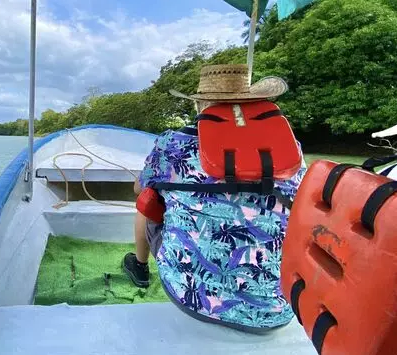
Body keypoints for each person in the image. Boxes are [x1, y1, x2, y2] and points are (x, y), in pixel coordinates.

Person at [123, 64, 306, 333]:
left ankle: (139, 268)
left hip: (190, 297)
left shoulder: (173, 145)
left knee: (148, 200)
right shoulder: (292, 150)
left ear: (201, 106)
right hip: (277, 310)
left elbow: (139, 189)